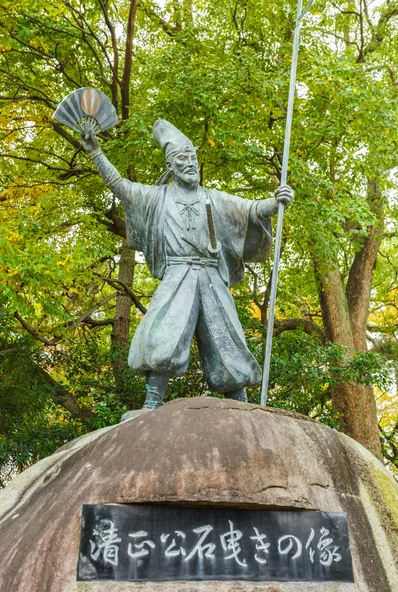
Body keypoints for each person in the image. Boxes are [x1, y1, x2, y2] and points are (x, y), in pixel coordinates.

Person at [81, 119, 293, 409]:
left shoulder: (214, 198)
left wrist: (275, 201)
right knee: (162, 332)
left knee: (226, 338)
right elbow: (121, 187)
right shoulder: (157, 198)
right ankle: (152, 402)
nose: (190, 163)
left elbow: (249, 210)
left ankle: (241, 404)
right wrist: (95, 152)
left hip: (211, 276)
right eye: (183, 158)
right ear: (170, 165)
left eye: (193, 158)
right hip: (178, 273)